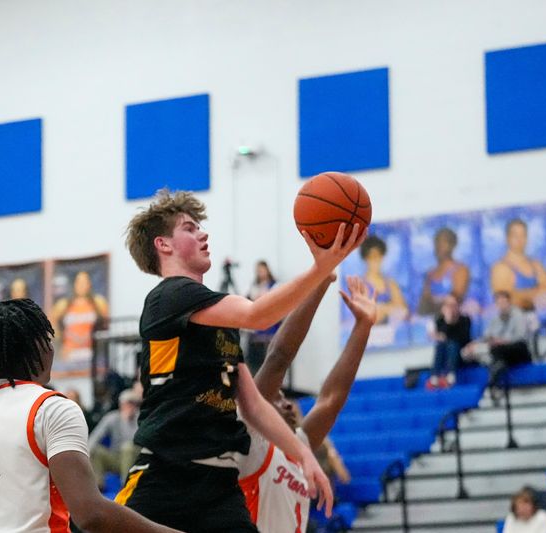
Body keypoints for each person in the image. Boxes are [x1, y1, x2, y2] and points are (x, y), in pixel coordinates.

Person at [119, 190, 359, 531]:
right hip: (167, 472)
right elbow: (259, 315)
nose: (203, 233)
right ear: (163, 245)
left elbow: (254, 406)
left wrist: (304, 455)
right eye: (189, 228)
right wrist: (319, 270)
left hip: (219, 484)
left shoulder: (219, 319)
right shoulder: (169, 296)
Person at [0, 299, 182, 533]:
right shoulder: (51, 408)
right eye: (48, 339)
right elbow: (90, 514)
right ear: (37, 347)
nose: (52, 347)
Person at [237, 274, 376, 532]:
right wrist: (320, 280)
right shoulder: (251, 439)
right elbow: (278, 358)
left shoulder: (298, 447)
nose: (289, 405)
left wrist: (363, 326)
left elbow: (331, 400)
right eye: (277, 399)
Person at [462, 291, 531, 392]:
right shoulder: (495, 319)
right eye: (499, 303)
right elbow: (486, 336)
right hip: (498, 349)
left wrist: (502, 341)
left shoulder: (518, 315)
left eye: (504, 302)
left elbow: (521, 337)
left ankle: (496, 369)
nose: (502, 305)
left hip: (517, 349)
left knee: (499, 349)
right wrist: (474, 343)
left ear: (509, 302)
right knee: (468, 351)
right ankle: (496, 367)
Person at [491, 219, 546, 312]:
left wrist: (522, 295)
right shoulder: (500, 268)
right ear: (507, 238)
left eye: (523, 235)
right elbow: (505, 301)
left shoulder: (535, 264)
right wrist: (536, 294)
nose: (520, 240)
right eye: (515, 236)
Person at [51, 270, 110, 363]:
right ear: (74, 284)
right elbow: (51, 323)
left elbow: (107, 325)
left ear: (89, 284)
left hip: (92, 353)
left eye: (85, 282)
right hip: (69, 353)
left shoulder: (98, 302)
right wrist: (60, 340)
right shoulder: (63, 304)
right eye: (79, 282)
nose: (82, 285)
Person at [89, 388, 141, 489]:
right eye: (127, 403)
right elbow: (95, 437)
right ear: (121, 404)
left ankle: (125, 485)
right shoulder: (112, 417)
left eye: (133, 403)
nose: (130, 406)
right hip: (115, 457)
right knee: (94, 450)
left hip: (134, 458)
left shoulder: (140, 418)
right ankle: (98, 486)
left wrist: (127, 422)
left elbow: (137, 441)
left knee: (127, 448)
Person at [417, 227, 470, 315]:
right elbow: (423, 304)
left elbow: (455, 298)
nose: (439, 246)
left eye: (443, 242)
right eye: (437, 242)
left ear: (452, 245)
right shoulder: (430, 273)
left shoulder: (461, 270)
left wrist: (433, 300)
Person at [359, 235, 408, 324]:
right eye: (372, 256)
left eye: (379, 256)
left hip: (390, 333)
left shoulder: (390, 283)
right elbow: (367, 317)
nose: (376, 260)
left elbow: (404, 311)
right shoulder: (361, 285)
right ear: (365, 258)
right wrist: (389, 308)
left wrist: (382, 309)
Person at [427, 293, 471, 389]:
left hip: (461, 354)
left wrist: (452, 322)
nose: (451, 308)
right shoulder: (440, 321)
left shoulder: (465, 320)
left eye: (453, 305)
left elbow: (463, 338)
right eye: (448, 305)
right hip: (444, 354)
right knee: (440, 346)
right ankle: (434, 377)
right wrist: (447, 321)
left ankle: (451, 376)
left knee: (452, 344)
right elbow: (441, 337)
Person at [245, 261, 280, 375]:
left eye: (262, 270)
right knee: (254, 359)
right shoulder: (254, 285)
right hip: (255, 329)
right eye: (258, 271)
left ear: (267, 270)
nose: (260, 273)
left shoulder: (274, 285)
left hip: (270, 325)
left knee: (268, 359)